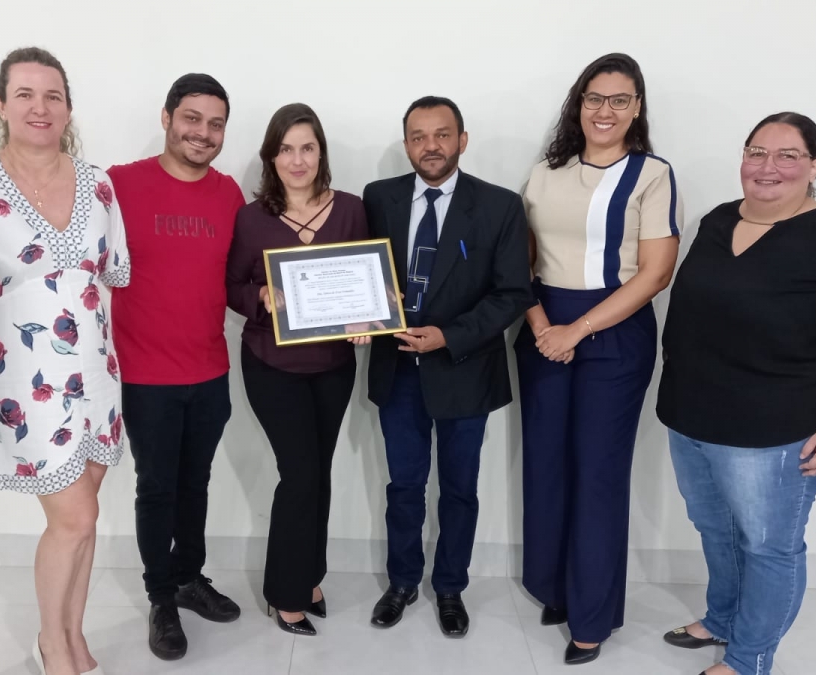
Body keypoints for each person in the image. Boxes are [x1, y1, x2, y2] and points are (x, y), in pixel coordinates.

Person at [656, 112, 816, 675]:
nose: (768, 166)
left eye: (788, 155)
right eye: (756, 152)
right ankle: (723, 618)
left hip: (776, 432)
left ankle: (749, 658)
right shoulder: (717, 221)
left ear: (815, 165)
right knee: (716, 531)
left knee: (768, 547)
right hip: (691, 418)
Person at [0, 47, 129, 675]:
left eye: (52, 96)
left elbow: (112, 273)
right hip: (23, 375)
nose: (39, 107)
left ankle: (73, 632)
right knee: (74, 516)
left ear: (68, 108)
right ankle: (52, 643)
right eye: (24, 94)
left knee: (86, 514)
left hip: (96, 369)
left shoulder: (98, 183)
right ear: (1, 105)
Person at [513, 53, 682, 665]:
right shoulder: (545, 172)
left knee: (598, 474)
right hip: (543, 327)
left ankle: (591, 618)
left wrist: (577, 330)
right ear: (578, 104)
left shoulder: (652, 175)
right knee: (547, 464)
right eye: (594, 98)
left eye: (619, 99)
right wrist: (541, 325)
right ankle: (557, 588)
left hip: (612, 331)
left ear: (637, 108)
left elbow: (656, 274)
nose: (604, 110)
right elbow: (520, 261)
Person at [363, 96, 533, 638]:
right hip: (397, 370)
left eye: (441, 134)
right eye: (418, 136)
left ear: (462, 139)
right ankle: (402, 582)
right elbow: (360, 271)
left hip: (464, 368)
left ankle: (450, 587)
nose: (430, 146)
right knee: (403, 486)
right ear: (406, 144)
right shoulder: (378, 197)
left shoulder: (500, 205)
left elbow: (512, 293)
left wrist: (448, 337)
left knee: (460, 488)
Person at [108, 73, 246, 661]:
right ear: (167, 118)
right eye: (192, 118)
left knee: (196, 483)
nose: (203, 133)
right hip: (145, 375)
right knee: (157, 487)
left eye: (216, 124)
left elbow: (243, 278)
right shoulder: (118, 184)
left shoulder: (229, 194)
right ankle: (161, 597)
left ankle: (189, 577)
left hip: (210, 370)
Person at [226, 103, 372, 636]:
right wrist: (260, 297)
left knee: (319, 472)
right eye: (286, 149)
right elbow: (232, 286)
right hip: (272, 364)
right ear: (271, 156)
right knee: (301, 474)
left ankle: (310, 577)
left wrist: (368, 318)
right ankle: (285, 593)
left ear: (321, 153)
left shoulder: (352, 210)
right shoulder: (251, 218)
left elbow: (367, 280)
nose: (297, 159)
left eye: (307, 147)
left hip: (333, 365)